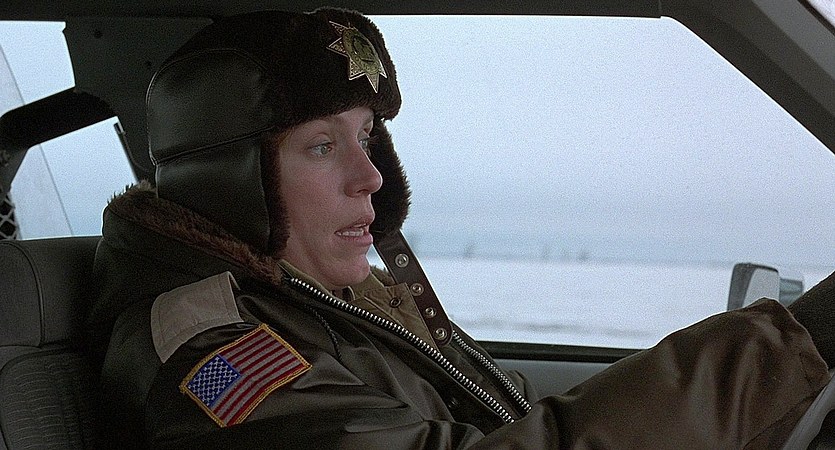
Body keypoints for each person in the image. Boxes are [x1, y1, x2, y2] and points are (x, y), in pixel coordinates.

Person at [87, 7, 835, 449]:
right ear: (224, 177)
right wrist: (795, 342)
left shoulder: (339, 303)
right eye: (321, 146)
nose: (371, 176)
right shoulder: (211, 351)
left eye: (367, 137)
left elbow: (515, 417)